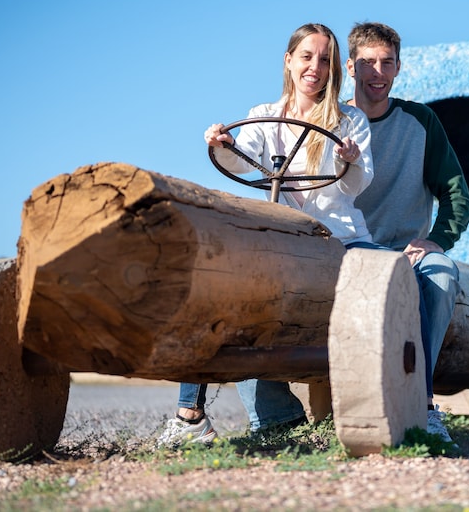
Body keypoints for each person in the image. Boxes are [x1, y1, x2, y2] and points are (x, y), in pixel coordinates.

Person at [235, 21, 469, 446]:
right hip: (334, 246)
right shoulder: (324, 117)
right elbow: (259, 160)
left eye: (387, 63)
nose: (377, 72)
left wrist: (435, 240)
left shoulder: (414, 122)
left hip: (396, 250)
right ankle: (266, 418)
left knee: (439, 274)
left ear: (398, 68)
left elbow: (456, 194)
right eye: (368, 63)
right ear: (351, 67)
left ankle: (421, 399)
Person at [157, 22, 375, 448]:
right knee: (221, 284)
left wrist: (348, 161)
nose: (316, 66)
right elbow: (243, 159)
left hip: (338, 238)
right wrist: (222, 144)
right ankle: (191, 416)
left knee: (380, 279)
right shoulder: (263, 117)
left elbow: (356, 187)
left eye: (325, 59)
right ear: (289, 61)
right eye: (307, 56)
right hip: (287, 242)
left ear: (334, 70)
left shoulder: (349, 121)